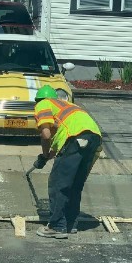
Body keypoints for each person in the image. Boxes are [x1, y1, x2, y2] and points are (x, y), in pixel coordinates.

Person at [33, 85, 102, 239]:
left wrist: (43, 154)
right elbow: (55, 144)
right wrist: (46, 156)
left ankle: (57, 226)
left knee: (58, 183)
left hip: (74, 138)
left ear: (39, 100)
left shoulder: (43, 104)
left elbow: (45, 134)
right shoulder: (68, 107)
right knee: (74, 184)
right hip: (94, 137)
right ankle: (70, 224)